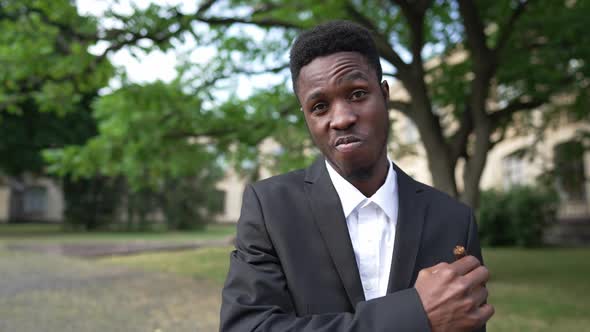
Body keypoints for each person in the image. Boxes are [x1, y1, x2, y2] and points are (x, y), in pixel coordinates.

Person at [220, 20, 493, 332]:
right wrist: (414, 315)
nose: (342, 119)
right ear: (307, 118)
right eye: (319, 106)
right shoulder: (270, 209)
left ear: (385, 94)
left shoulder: (453, 219)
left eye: (358, 94)